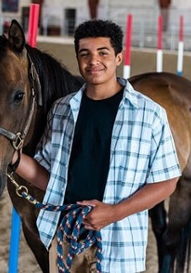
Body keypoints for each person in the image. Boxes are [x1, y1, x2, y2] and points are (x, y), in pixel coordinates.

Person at [10, 19, 181, 272]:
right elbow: (48, 178)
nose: (93, 61)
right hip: (68, 238)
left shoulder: (150, 114)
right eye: (85, 54)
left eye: (103, 53)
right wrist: (12, 158)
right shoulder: (61, 110)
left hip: (121, 244)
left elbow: (167, 182)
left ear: (119, 58)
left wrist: (114, 212)